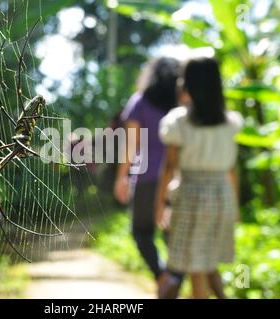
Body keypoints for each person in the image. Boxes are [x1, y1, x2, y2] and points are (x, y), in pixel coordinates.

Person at [155, 57, 243, 299]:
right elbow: (232, 170)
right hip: (222, 196)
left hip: (191, 196)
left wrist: (160, 205)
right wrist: (234, 206)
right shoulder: (231, 122)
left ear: (188, 84)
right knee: (207, 262)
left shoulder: (178, 122)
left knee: (196, 268)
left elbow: (169, 167)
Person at [114, 57, 183, 298]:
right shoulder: (182, 104)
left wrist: (121, 177)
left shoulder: (140, 101)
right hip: (178, 180)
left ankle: (162, 277)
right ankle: (172, 281)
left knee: (142, 232)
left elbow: (131, 145)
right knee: (175, 239)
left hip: (145, 178)